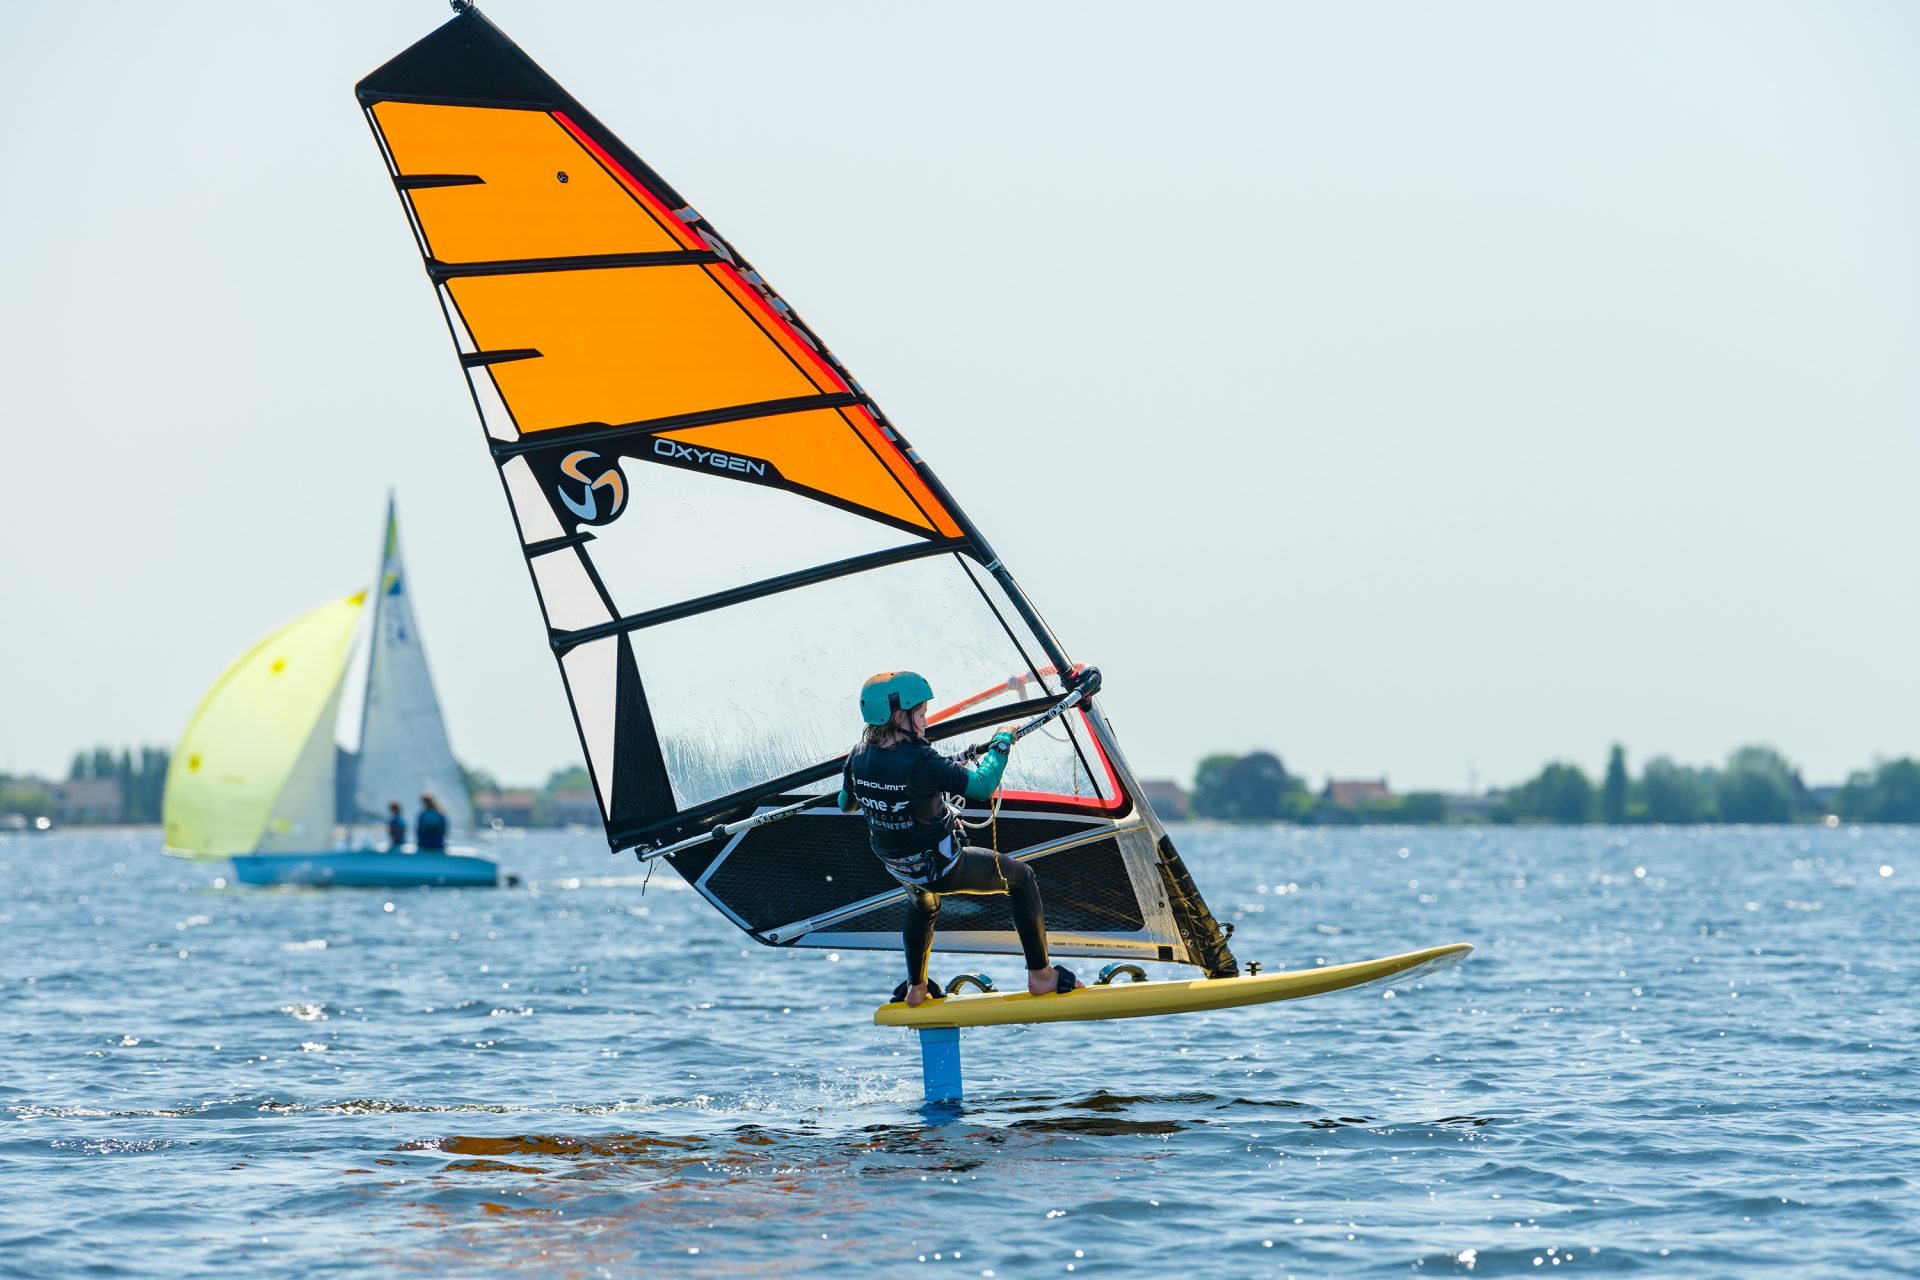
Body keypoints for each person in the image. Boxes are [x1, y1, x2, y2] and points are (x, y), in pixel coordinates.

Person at [839, 670, 1082, 1007]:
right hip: (942, 867)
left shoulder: (857, 756)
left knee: (923, 903)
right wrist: (1000, 744)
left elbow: (846, 804)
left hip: (898, 866)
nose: (926, 721)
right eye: (921, 714)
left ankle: (916, 987)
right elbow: (982, 786)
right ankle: (1041, 975)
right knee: (1022, 878)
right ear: (899, 716)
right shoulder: (922, 761)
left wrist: (880, 790)